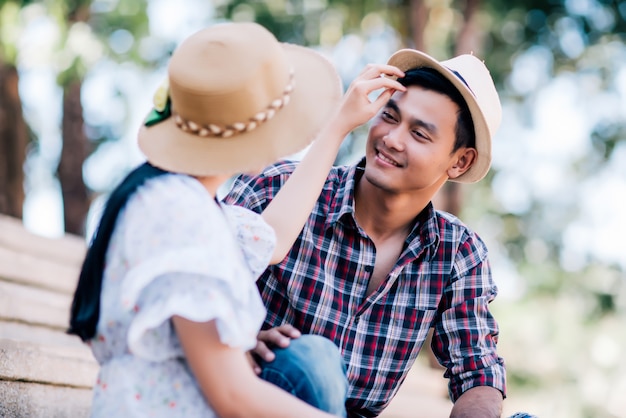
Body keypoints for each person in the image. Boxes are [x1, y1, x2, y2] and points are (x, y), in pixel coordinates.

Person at [67, 22, 407, 417]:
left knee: (313, 359)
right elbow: (232, 394)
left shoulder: (170, 200)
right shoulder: (184, 219)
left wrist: (338, 127)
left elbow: (275, 239)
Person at [223, 49, 508, 417]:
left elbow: (477, 371)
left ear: (460, 161)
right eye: (389, 116)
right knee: (313, 363)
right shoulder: (278, 188)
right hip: (252, 397)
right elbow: (194, 288)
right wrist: (234, 345)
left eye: (419, 134)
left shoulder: (458, 252)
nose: (391, 139)